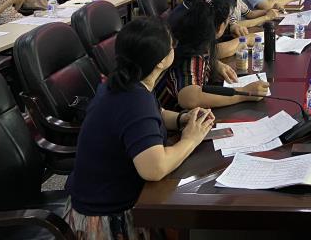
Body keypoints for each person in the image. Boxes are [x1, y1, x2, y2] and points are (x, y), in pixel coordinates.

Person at [65, 17, 214, 239]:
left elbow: (155, 113)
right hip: (108, 220)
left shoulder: (125, 81)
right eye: (171, 45)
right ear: (161, 61)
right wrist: (190, 139)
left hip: (98, 200)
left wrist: (182, 119)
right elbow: (155, 168)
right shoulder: (135, 100)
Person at [157, 0, 269, 110]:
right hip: (168, 116)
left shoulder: (192, 34)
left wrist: (214, 63)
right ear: (220, 27)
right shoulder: (192, 54)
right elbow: (190, 99)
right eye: (227, 20)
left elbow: (208, 54)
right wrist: (243, 93)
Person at [167, 0, 239, 59]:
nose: (225, 0)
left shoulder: (192, 9)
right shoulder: (187, 20)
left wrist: (231, 26)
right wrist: (243, 41)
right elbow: (206, 52)